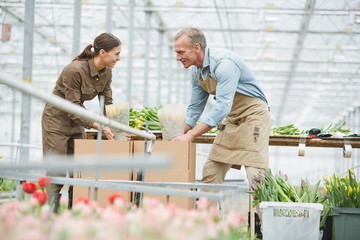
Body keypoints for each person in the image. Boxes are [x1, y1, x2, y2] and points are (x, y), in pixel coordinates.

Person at [172, 27, 271, 225]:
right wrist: (176, 136)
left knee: (256, 175)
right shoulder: (197, 72)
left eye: (180, 52)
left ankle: (270, 228)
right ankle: (206, 226)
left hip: (253, 117)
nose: (177, 57)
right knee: (211, 170)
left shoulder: (224, 64)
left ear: (196, 48)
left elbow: (222, 106)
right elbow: (195, 108)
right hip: (232, 119)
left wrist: (191, 136)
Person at [41, 32, 122, 213]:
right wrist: (98, 126)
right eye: (116, 53)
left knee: (79, 172)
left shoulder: (107, 72)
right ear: (102, 52)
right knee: (57, 172)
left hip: (77, 121)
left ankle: (73, 216)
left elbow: (107, 104)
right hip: (56, 121)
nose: (119, 58)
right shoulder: (74, 70)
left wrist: (117, 126)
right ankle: (47, 218)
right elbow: (72, 107)